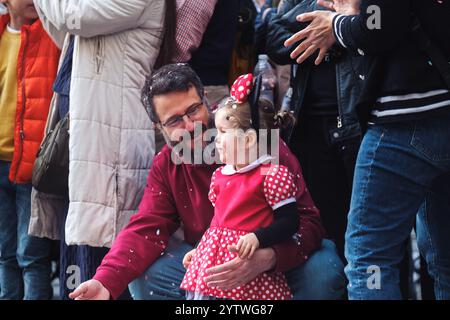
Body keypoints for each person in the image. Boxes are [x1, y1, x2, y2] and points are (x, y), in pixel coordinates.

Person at [68, 63, 345, 301]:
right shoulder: (166, 164)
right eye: (175, 120)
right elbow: (145, 228)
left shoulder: (259, 141)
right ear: (159, 128)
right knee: (143, 278)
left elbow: (308, 222)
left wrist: (269, 256)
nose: (190, 125)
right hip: (212, 265)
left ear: (206, 101)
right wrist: (105, 281)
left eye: (193, 110)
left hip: (273, 264)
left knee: (324, 269)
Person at [285, 0, 450, 299]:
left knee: (369, 261)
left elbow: (380, 27)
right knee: (445, 259)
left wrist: (337, 25)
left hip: (405, 118)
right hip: (437, 111)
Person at [28, 0, 173, 299]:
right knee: (77, 260)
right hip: (83, 147)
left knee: (100, 264)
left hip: (111, 148)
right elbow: (63, 32)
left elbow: (73, 17)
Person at [180, 74, 300, 300]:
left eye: (223, 132)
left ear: (249, 140)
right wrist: (203, 250)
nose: (216, 139)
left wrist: (259, 238)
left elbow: (290, 221)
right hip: (216, 265)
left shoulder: (270, 174)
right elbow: (219, 223)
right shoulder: (221, 176)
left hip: (249, 271)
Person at [266, 0, 364, 262]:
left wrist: (337, 30)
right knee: (327, 232)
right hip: (310, 128)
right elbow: (273, 36)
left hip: (361, 127)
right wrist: (322, 25)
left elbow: (378, 31)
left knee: (369, 234)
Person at [0, 0, 60, 299]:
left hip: (33, 166)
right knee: (5, 253)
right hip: (0, 162)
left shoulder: (53, 35)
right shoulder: (1, 35)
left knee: (32, 256)